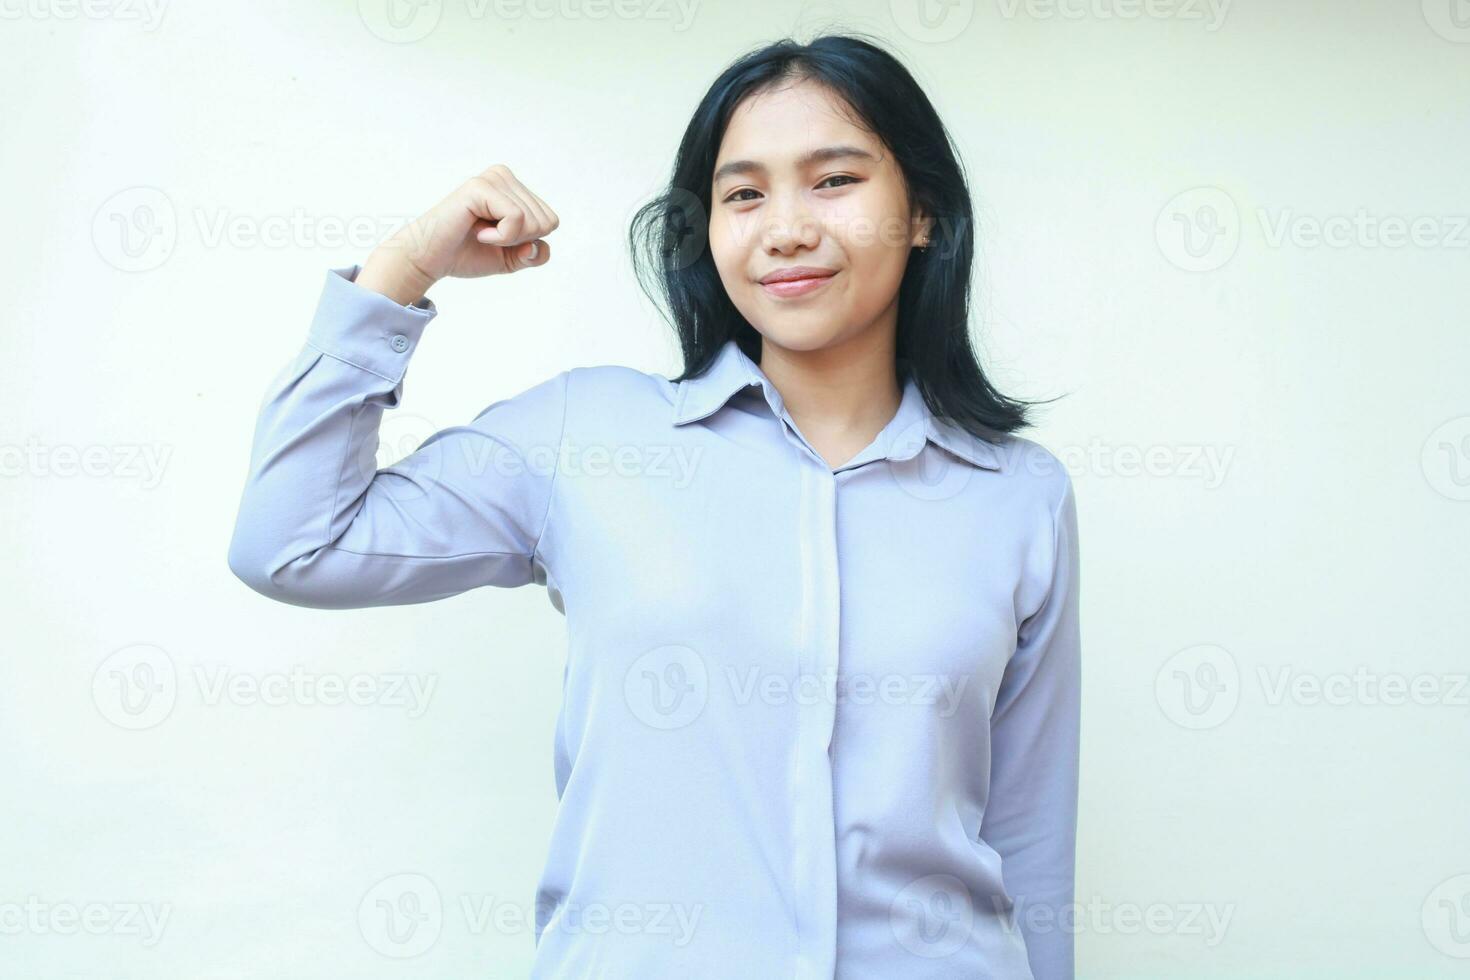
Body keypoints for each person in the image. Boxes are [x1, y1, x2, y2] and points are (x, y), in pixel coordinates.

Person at [227, 31, 1081, 980]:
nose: (785, 228)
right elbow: (290, 544)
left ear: (922, 212)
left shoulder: (1018, 496)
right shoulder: (582, 436)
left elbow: (1028, 838)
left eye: (834, 180)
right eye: (744, 194)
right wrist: (401, 271)